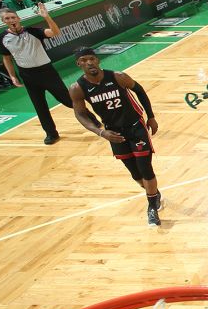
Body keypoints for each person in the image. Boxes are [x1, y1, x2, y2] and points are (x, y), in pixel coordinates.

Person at [69, 48, 164, 227]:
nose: (89, 63)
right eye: (84, 60)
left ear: (97, 60)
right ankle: (154, 193)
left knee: (145, 168)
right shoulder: (77, 88)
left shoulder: (118, 77)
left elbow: (140, 91)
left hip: (136, 127)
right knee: (135, 173)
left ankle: (152, 206)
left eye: (92, 59)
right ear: (79, 64)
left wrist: (150, 116)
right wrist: (100, 131)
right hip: (114, 133)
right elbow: (80, 114)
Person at [0, 4, 86, 144]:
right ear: (3, 21)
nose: (11, 20)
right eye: (7, 18)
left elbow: (55, 32)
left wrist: (47, 17)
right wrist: (13, 76)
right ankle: (51, 134)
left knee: (67, 100)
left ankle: (91, 119)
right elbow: (6, 58)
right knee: (40, 106)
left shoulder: (32, 31)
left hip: (46, 71)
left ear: (18, 18)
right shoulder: (2, 37)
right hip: (27, 75)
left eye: (13, 17)